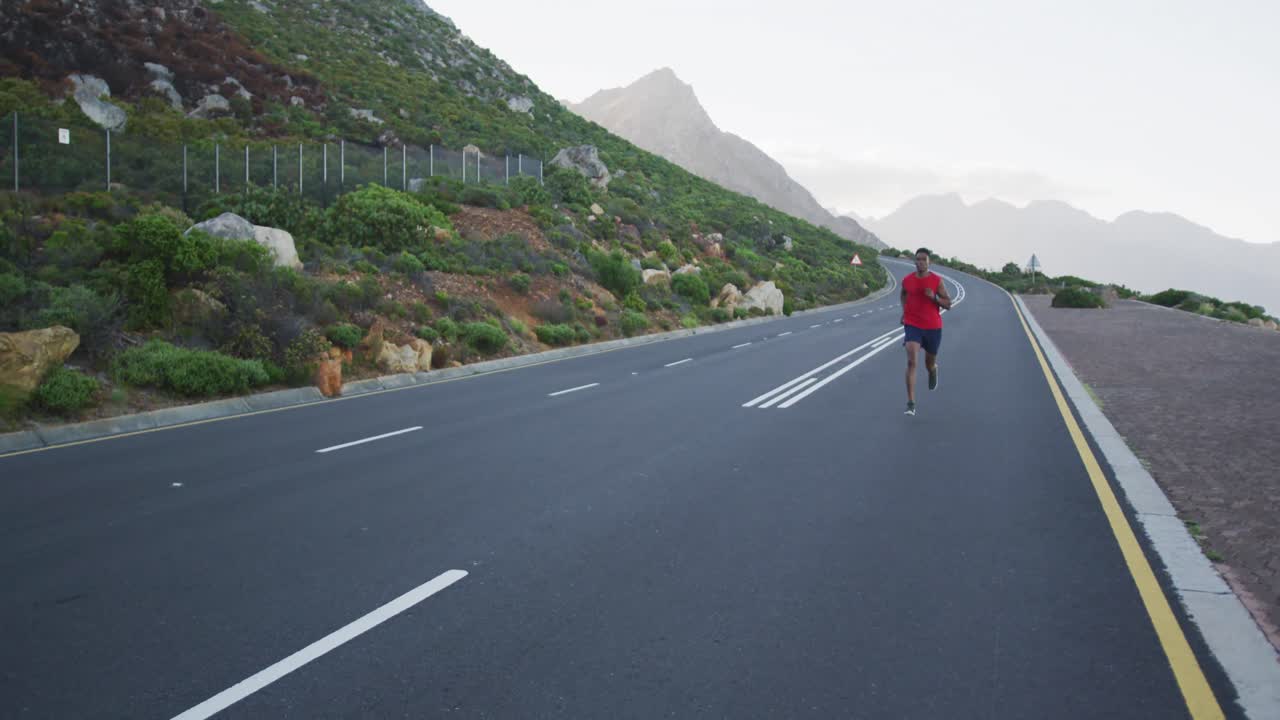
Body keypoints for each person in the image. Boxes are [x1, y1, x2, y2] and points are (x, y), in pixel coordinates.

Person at [900, 247, 951, 415]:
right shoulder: (907, 280)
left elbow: (948, 304)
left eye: (924, 259)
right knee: (911, 362)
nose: (920, 262)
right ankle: (911, 403)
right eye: (918, 259)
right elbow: (903, 294)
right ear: (914, 261)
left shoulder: (937, 281)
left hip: (932, 327)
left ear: (929, 263)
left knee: (928, 363)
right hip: (912, 325)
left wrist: (934, 298)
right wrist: (904, 312)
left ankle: (933, 370)